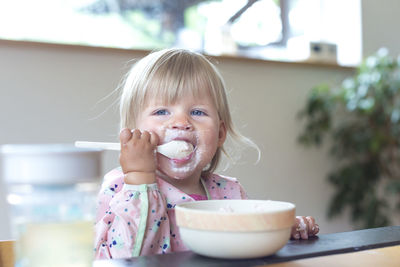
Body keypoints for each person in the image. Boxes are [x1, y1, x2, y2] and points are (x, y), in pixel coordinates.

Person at [94, 48, 319, 259]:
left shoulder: (229, 193)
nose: (181, 122)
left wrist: (280, 229)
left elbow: (245, 245)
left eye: (197, 112)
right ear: (133, 135)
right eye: (161, 111)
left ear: (220, 134)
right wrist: (139, 179)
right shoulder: (121, 188)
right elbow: (127, 257)